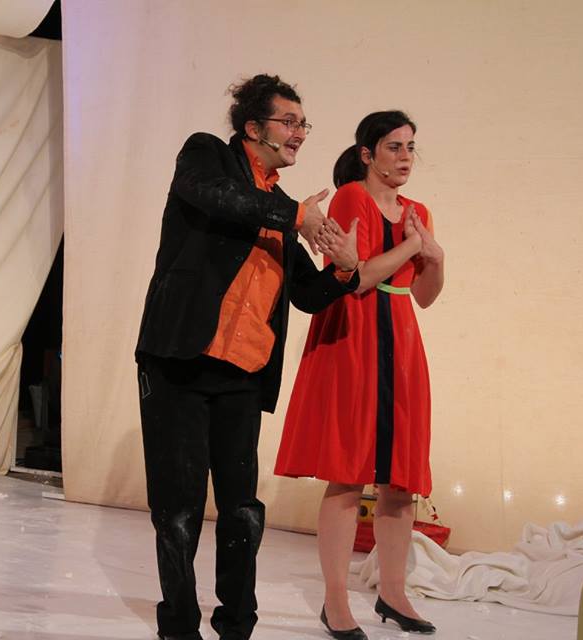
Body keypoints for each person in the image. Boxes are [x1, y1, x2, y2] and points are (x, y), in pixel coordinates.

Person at [134, 74, 360, 640]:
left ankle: (237, 627)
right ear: (254, 127)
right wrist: (296, 217)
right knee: (179, 510)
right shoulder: (207, 155)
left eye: (304, 124)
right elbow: (215, 196)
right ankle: (179, 628)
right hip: (180, 361)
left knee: (242, 511)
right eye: (290, 121)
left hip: (243, 373)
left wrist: (344, 269)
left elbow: (305, 294)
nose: (300, 133)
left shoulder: (282, 207)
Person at [274, 110, 445, 639]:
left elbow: (423, 295)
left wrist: (436, 257)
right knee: (348, 473)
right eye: (394, 147)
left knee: (400, 479)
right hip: (355, 333)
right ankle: (335, 602)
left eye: (410, 147)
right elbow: (361, 277)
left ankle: (393, 593)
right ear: (368, 154)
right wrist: (413, 246)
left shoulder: (418, 212)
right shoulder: (352, 196)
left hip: (402, 339)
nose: (406, 157)